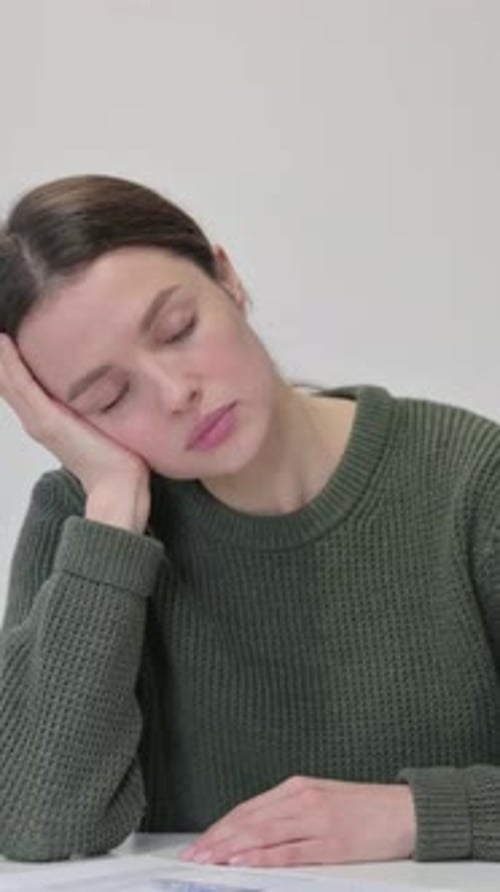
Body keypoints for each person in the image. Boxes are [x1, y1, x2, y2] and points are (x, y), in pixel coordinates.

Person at [0, 174, 499, 867]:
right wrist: (112, 507)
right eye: (110, 398)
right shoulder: (83, 525)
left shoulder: (469, 479)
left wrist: (419, 813)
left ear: (227, 279)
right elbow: (33, 822)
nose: (176, 393)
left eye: (178, 330)